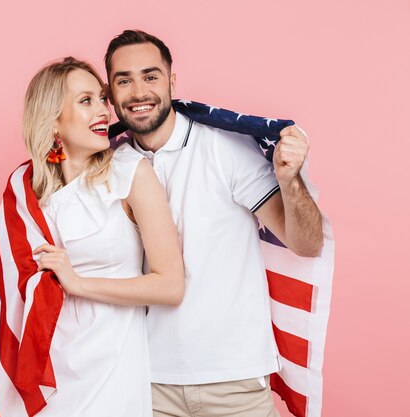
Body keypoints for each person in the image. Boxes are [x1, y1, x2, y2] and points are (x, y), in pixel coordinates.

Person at [104, 30, 324, 417]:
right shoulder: (110, 165)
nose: (138, 91)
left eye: (150, 76)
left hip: (235, 380)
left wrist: (290, 181)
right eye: (124, 80)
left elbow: (306, 244)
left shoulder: (225, 148)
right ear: (111, 92)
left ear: (172, 82)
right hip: (146, 380)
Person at [16, 57, 184, 416]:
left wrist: (78, 283)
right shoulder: (28, 194)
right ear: (54, 120)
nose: (104, 111)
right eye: (85, 101)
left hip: (111, 371)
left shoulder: (130, 174)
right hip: (52, 368)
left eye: (102, 99)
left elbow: (170, 286)